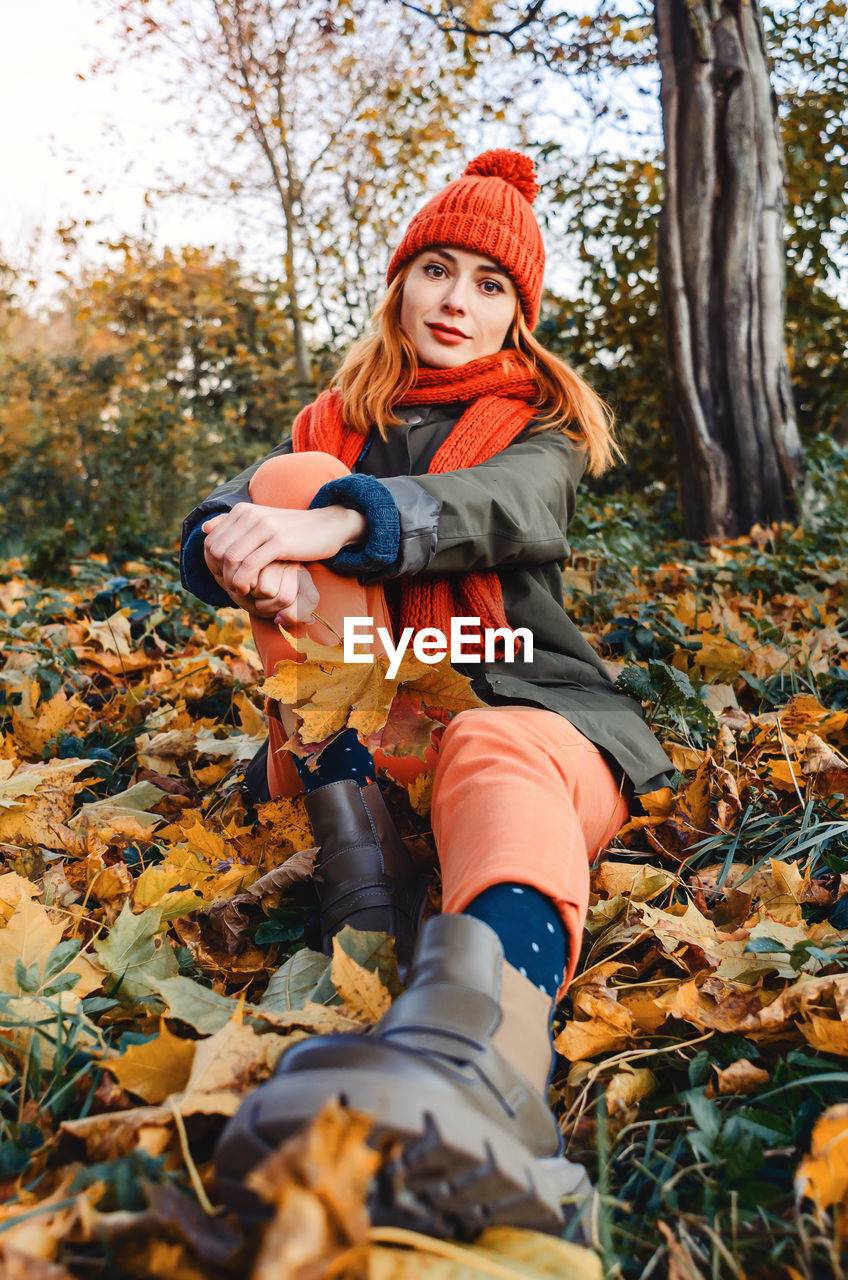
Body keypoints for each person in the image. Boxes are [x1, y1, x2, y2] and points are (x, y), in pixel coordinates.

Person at [180, 150, 672, 1238]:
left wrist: (345, 522)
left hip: (531, 721)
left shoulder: (540, 431)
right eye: (437, 269)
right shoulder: (333, 416)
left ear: (517, 315)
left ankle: (482, 1052)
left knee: (490, 742)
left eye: (489, 284)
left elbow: (500, 506)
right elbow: (236, 509)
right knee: (280, 484)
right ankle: (364, 884)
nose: (457, 299)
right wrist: (244, 550)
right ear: (399, 281)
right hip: (379, 726)